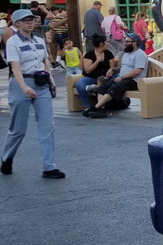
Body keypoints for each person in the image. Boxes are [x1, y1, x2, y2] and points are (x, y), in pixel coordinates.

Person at [1, 9, 64, 178]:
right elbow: (15, 67)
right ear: (17, 23)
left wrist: (51, 80)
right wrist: (23, 87)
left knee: (47, 126)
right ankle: (7, 157)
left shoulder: (39, 40)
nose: (30, 22)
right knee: (18, 129)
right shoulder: (13, 42)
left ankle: (49, 166)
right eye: (25, 20)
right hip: (22, 83)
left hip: (41, 84)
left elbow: (44, 62)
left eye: (31, 19)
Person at [85, 32, 147, 118]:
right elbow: (123, 67)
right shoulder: (127, 54)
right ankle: (101, 110)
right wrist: (113, 70)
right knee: (102, 87)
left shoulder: (140, 54)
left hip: (134, 80)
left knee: (114, 88)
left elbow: (137, 71)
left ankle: (95, 107)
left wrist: (122, 77)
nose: (125, 43)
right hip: (122, 78)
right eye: (125, 41)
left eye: (127, 42)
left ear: (135, 43)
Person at [76, 34, 115, 109]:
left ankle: (95, 87)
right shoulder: (89, 54)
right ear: (101, 44)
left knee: (114, 79)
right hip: (91, 77)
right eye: (106, 42)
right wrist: (97, 61)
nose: (108, 44)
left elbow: (112, 68)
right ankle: (87, 106)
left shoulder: (108, 54)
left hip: (105, 78)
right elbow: (87, 70)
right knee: (80, 85)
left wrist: (108, 75)